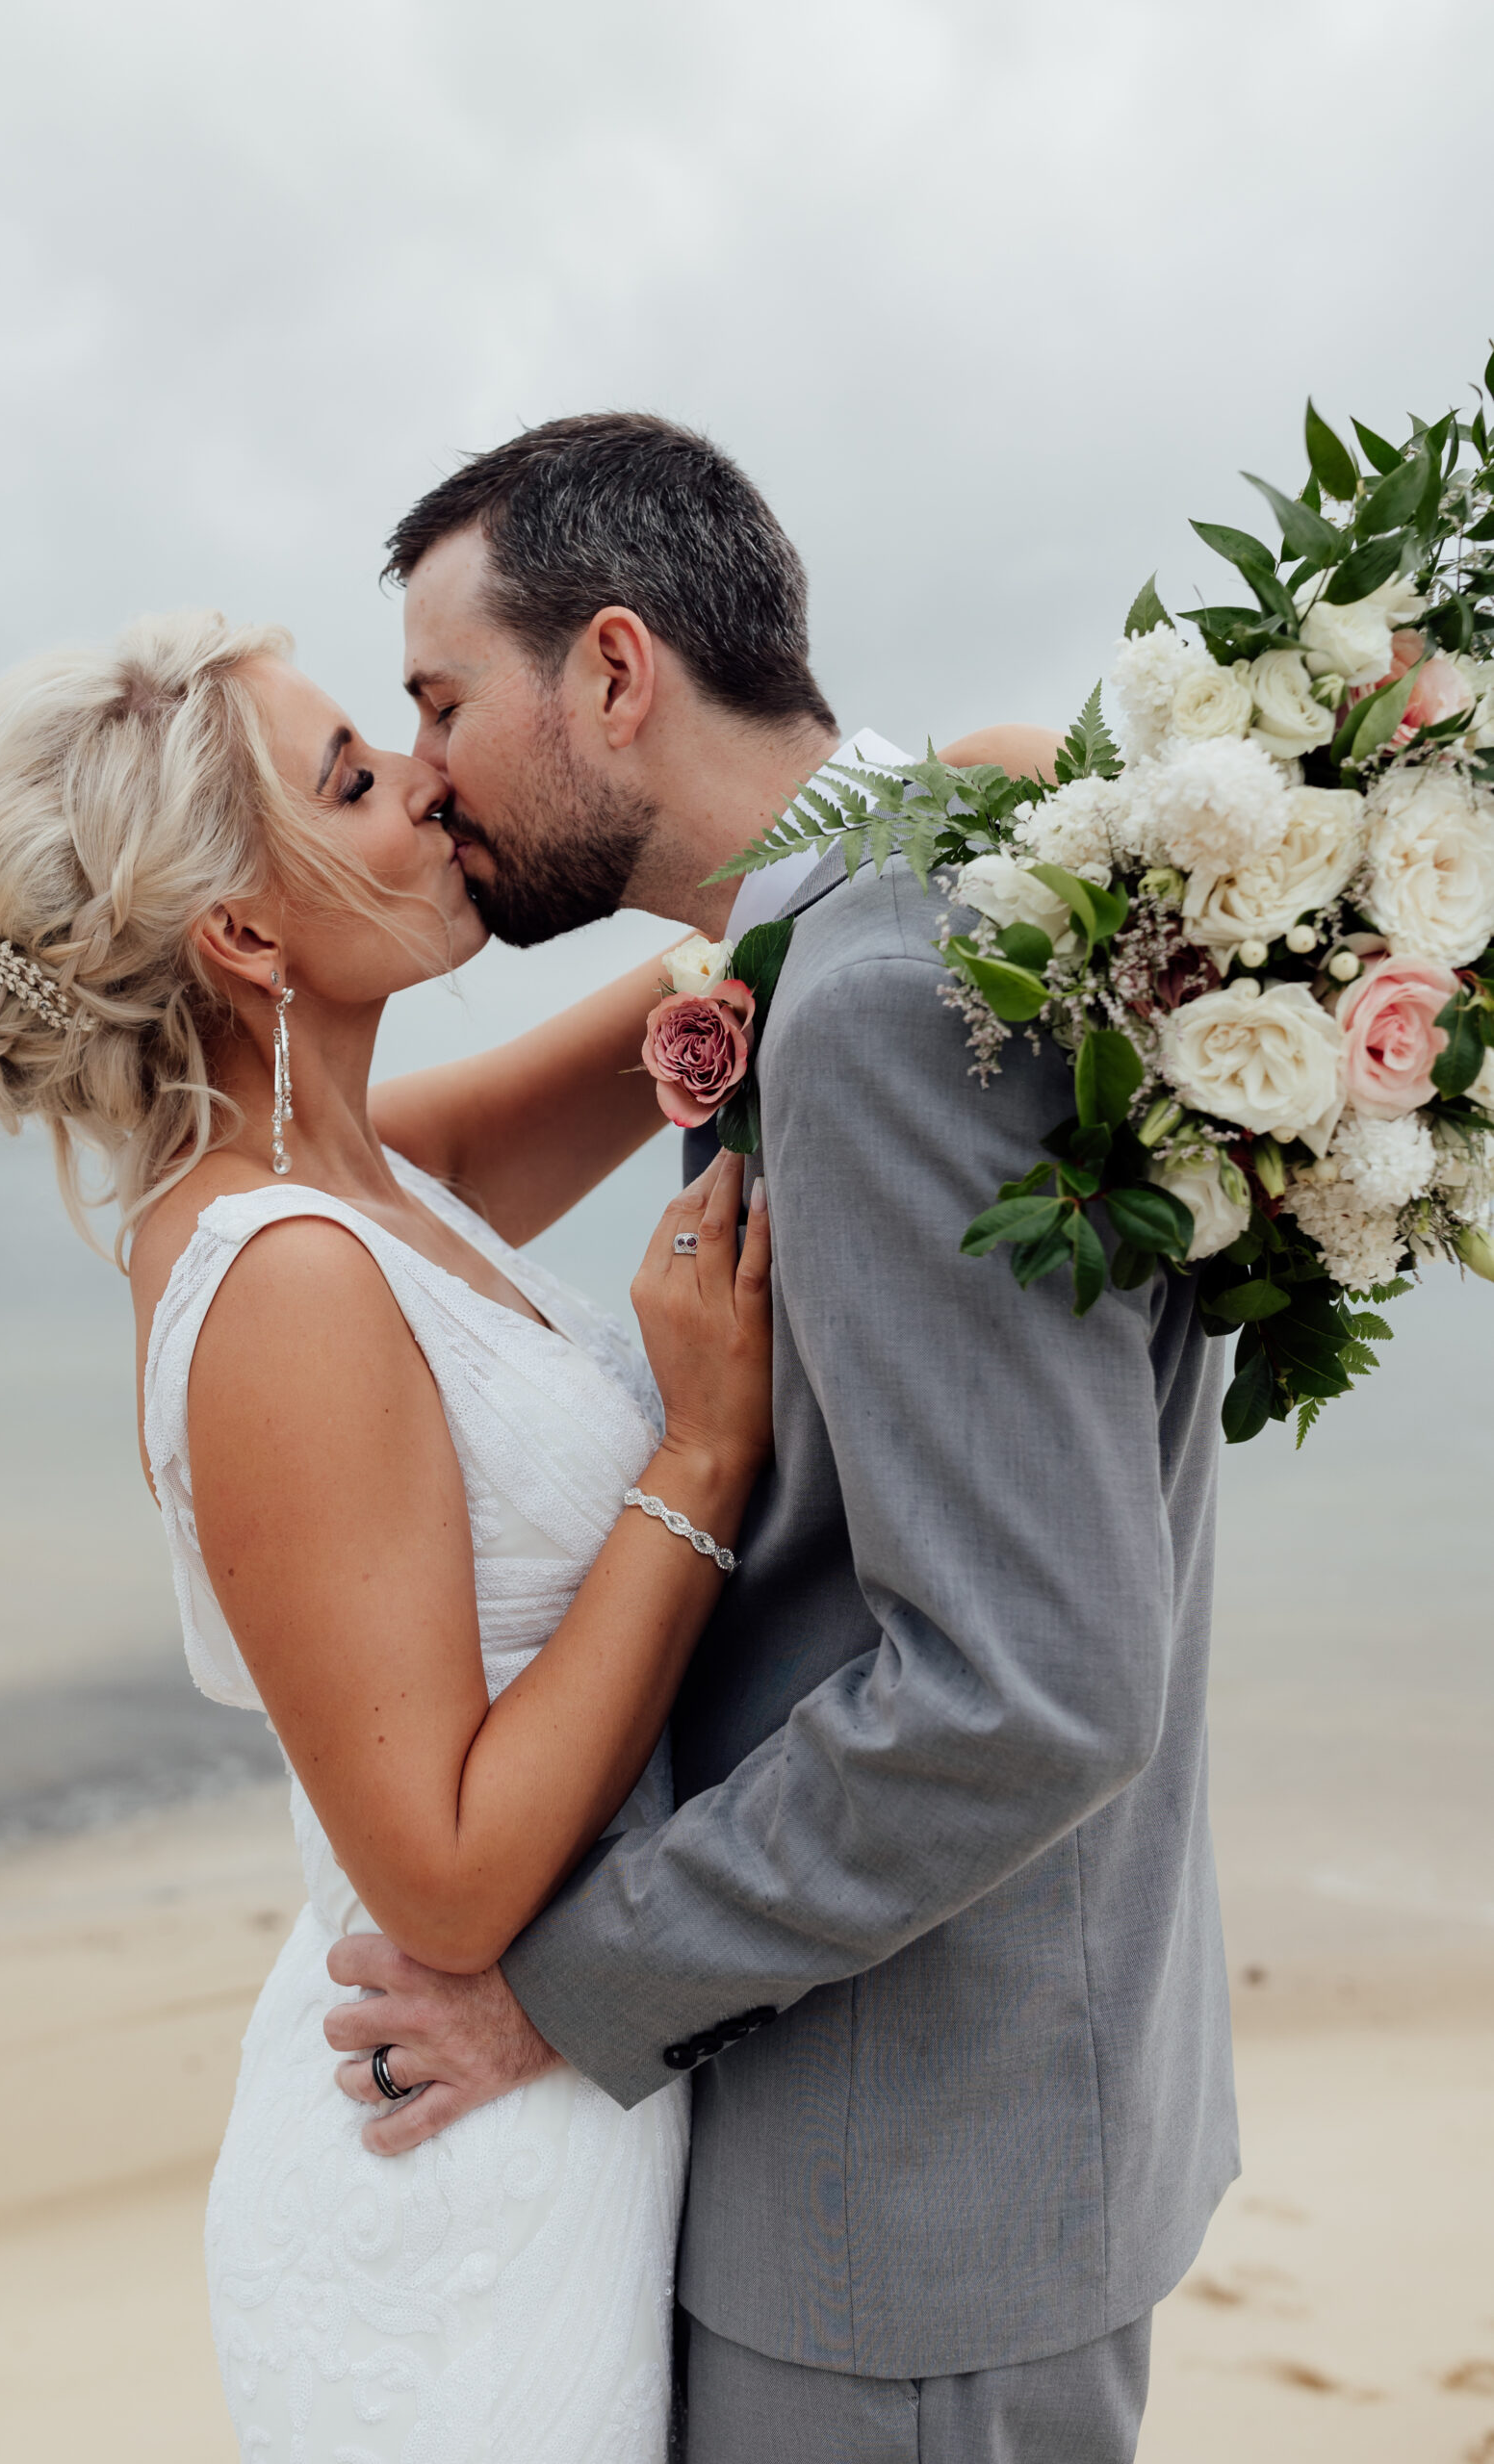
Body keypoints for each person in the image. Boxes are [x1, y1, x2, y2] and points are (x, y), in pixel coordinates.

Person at [325, 413, 1240, 2464]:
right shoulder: (879, 924)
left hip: (907, 2184)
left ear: (618, 672)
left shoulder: (884, 986)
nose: (435, 772)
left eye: (441, 700)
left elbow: (1026, 1687)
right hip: (933, 2125)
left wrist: (552, 1990)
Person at [0, 609, 781, 2461]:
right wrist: (697, 1456)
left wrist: (998, 807)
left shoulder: (374, 1176)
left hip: (555, 2110)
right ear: (240, 932)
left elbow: (715, 969)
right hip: (459, 2188)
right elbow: (446, 1878)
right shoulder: (284, 1276)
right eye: (357, 780)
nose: (429, 783)